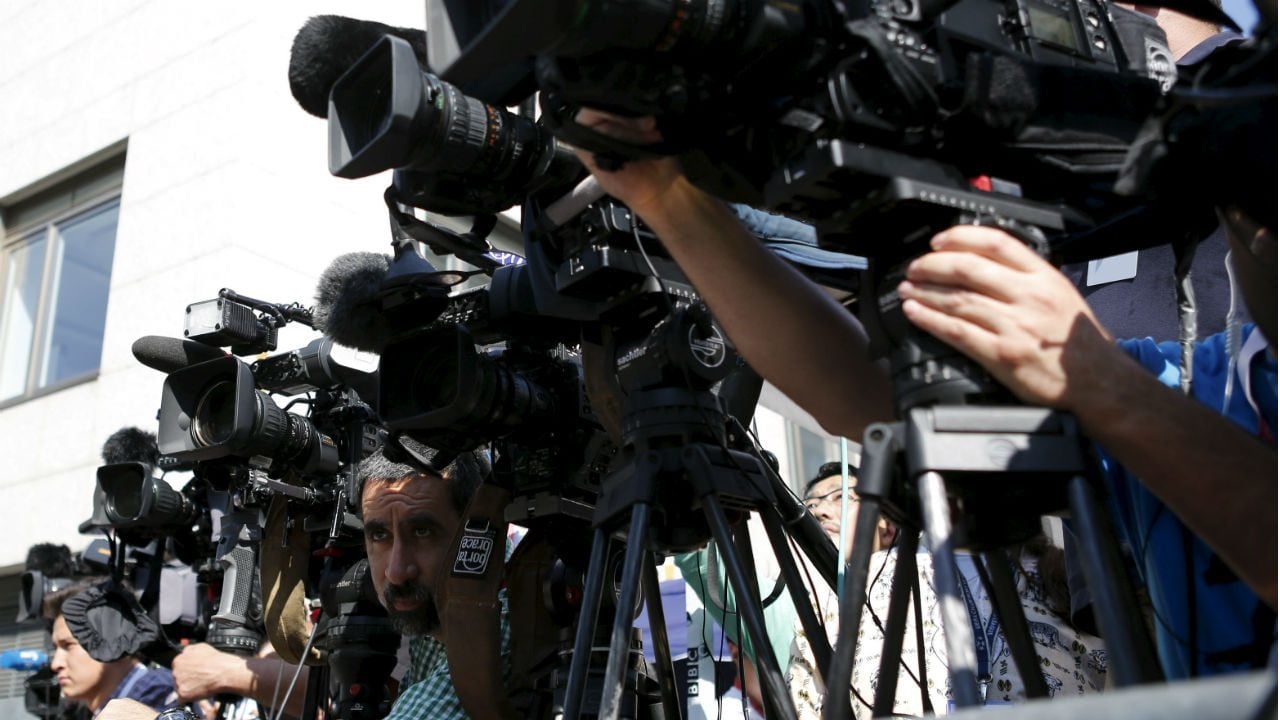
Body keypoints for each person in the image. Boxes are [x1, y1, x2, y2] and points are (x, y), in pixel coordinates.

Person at [570, 105, 1274, 681]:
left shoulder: (1148, 390)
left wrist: (1101, 381)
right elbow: (866, 397)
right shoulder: (1199, 386)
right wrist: (668, 199)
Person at [43, 580, 178, 718]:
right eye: (56, 648)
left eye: (69, 645)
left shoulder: (163, 694)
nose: (55, 664)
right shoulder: (89, 712)